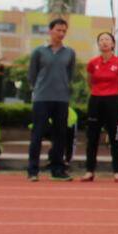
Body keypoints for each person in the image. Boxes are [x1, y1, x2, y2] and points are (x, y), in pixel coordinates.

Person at [27, 17, 76, 182]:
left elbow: (70, 75)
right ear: (50, 30)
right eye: (58, 30)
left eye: (64, 31)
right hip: (41, 98)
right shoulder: (39, 51)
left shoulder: (69, 53)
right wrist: (38, 89)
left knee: (60, 135)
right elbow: (32, 75)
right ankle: (33, 170)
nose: (61, 33)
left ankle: (57, 169)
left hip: (61, 99)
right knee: (37, 134)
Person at [81, 31, 118, 182]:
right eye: (101, 40)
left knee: (115, 137)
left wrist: (112, 93)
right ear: (98, 44)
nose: (104, 42)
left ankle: (117, 171)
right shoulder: (93, 63)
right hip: (96, 101)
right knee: (92, 137)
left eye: (107, 40)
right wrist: (98, 93)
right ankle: (89, 170)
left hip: (112, 101)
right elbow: (89, 81)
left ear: (113, 44)